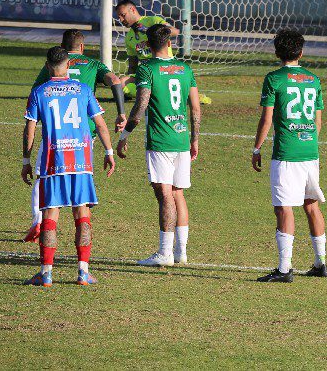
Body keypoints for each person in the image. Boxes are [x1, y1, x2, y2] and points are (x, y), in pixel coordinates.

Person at [22, 47, 116, 287]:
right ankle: (83, 272)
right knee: (82, 213)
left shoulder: (39, 92)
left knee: (50, 215)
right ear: (68, 63)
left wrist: (26, 160)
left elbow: (30, 129)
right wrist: (108, 151)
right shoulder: (83, 89)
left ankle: (46, 274)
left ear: (47, 65)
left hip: (53, 161)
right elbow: (101, 124)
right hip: (81, 160)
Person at [23, 29, 126, 243]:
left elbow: (37, 93)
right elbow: (115, 80)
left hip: (55, 136)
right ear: (82, 47)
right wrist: (121, 113)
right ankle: (83, 260)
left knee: (44, 177)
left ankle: (39, 221)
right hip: (84, 135)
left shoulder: (52, 65)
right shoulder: (93, 64)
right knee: (81, 186)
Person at [117, 24, 201, 267]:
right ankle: (181, 252)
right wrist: (194, 139)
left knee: (164, 195)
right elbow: (195, 108)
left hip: (161, 141)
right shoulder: (186, 68)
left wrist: (125, 134)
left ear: (147, 45)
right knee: (178, 194)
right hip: (182, 138)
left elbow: (141, 106)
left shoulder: (147, 69)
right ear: (169, 43)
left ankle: (165, 253)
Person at [252, 29, 327, 283]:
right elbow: (318, 123)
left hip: (287, 153)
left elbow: (267, 119)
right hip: (310, 151)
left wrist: (256, 148)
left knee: (284, 207)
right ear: (301, 52)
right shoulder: (313, 79)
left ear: (276, 53)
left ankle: (284, 269)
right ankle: (321, 263)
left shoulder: (274, 79)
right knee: (311, 204)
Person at [114, 0, 179, 98]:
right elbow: (132, 66)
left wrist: (149, 31)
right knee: (120, 82)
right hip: (147, 74)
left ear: (132, 9)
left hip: (164, 68)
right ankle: (156, 93)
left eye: (123, 15)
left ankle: (155, 93)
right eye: (119, 17)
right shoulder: (129, 37)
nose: (121, 20)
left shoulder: (153, 21)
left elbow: (175, 31)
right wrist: (130, 80)